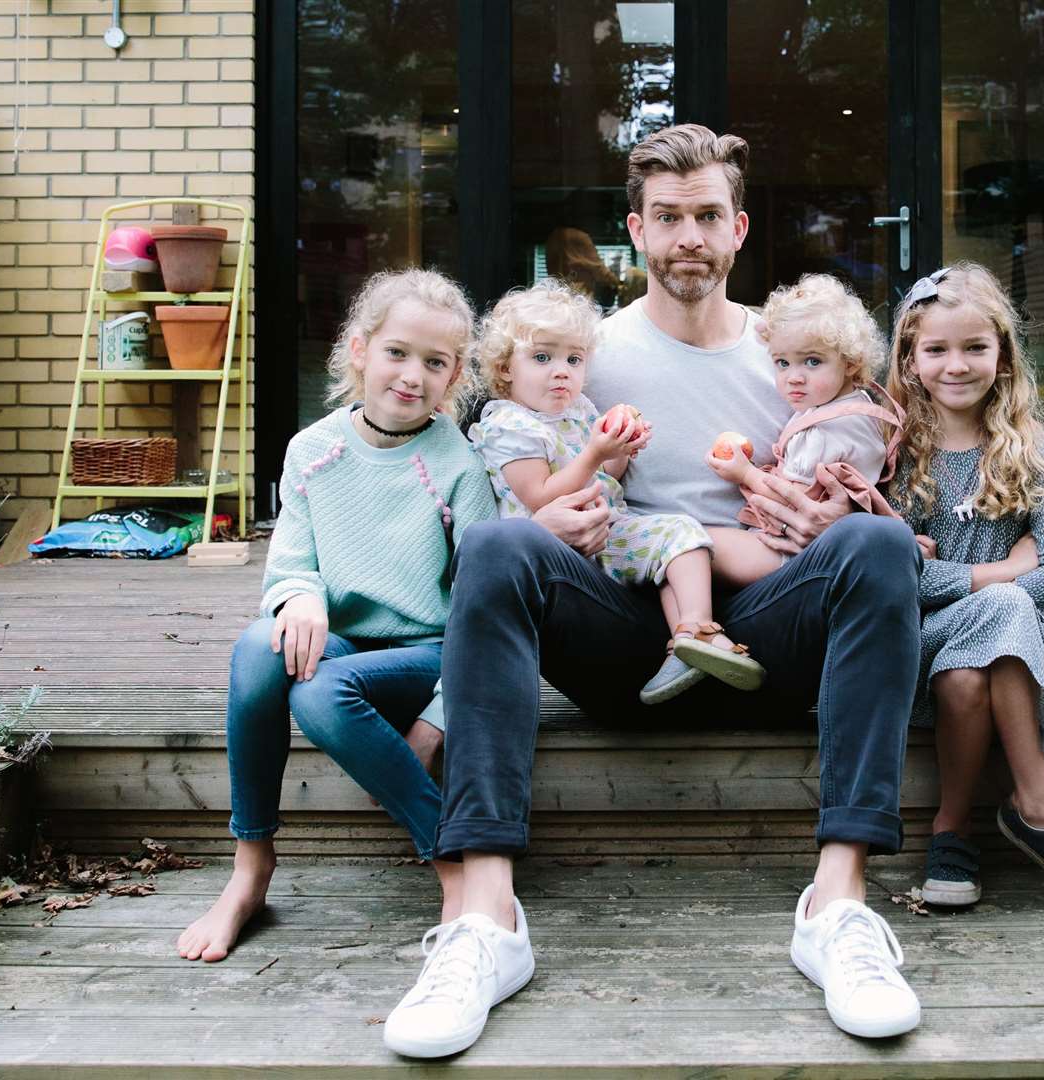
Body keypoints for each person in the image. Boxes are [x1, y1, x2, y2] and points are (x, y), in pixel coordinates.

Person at [381, 124, 924, 1059]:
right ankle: (485, 919)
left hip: (768, 631)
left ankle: (837, 907)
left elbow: (867, 468)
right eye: (667, 218)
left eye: (707, 216)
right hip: (627, 634)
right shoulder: (592, 353)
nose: (689, 239)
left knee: (876, 545)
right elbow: (503, 477)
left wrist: (836, 517)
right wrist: (547, 524)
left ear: (740, 227)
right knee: (504, 545)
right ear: (637, 230)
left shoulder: (791, 351)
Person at [177, 268, 496, 964]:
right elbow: (290, 563)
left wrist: (438, 717)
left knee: (321, 690)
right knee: (259, 648)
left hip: (426, 657)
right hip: (345, 641)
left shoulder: (458, 468)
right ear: (359, 350)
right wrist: (302, 597)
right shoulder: (310, 450)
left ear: (455, 377)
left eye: (435, 363)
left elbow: (483, 618)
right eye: (398, 352)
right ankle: (251, 864)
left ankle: (450, 859)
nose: (413, 375)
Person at [883, 262, 1044, 909]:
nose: (955, 364)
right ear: (910, 360)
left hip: (1012, 657)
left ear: (1003, 355)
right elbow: (900, 581)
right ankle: (1038, 803)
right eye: (936, 349)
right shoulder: (897, 456)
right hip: (926, 642)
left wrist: (988, 583)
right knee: (1004, 601)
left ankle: (951, 828)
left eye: (974, 348)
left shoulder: (1033, 454)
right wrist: (1002, 571)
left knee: (978, 660)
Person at [466, 277, 765, 704]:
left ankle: (692, 635)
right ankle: (697, 635)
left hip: (609, 532)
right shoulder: (510, 425)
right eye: (542, 357)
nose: (561, 371)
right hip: (559, 557)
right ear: (505, 368)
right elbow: (540, 495)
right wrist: (593, 452)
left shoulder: (579, 409)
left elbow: (609, 471)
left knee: (682, 536)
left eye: (573, 358)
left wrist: (622, 443)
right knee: (677, 536)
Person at [705, 271, 905, 589]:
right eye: (783, 363)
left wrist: (745, 474)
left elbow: (794, 504)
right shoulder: (839, 405)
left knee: (692, 544)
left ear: (851, 361)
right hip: (798, 548)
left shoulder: (833, 428)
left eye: (812, 362)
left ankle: (696, 627)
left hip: (795, 555)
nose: (794, 377)